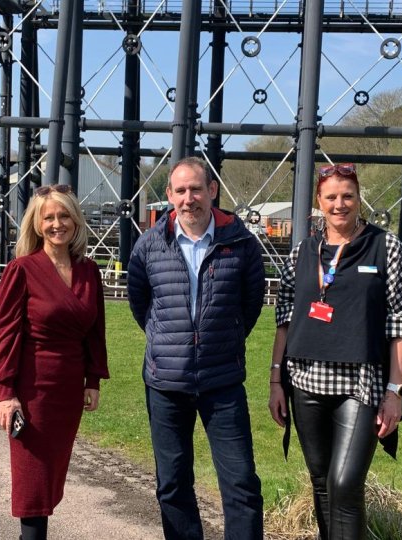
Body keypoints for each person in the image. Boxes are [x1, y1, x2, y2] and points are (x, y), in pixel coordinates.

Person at [268, 163, 402, 540]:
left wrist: (395, 392)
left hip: (361, 383)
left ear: (359, 199)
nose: (340, 204)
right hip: (305, 380)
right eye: (331, 197)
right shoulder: (303, 252)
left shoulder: (384, 245)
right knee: (322, 482)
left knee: (345, 484)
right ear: (318, 203)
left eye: (348, 196)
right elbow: (285, 319)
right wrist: (276, 381)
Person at [127, 156, 266, 540]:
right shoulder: (150, 244)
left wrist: (218, 339)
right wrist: (172, 341)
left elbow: (250, 306)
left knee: (241, 485)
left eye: (197, 189)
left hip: (222, 380)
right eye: (181, 191)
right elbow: (141, 304)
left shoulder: (240, 243)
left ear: (213, 191)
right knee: (172, 484)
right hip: (165, 383)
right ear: (170, 195)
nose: (190, 199)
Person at [0, 184, 109, 540]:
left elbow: (95, 332)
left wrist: (93, 381)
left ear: (76, 220)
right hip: (31, 392)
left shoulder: (89, 271)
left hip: (68, 392)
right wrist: (6, 393)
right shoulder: (22, 270)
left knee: (52, 481)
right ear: (38, 225)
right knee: (32, 488)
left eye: (64, 215)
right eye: (49, 217)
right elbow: (5, 335)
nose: (58, 224)